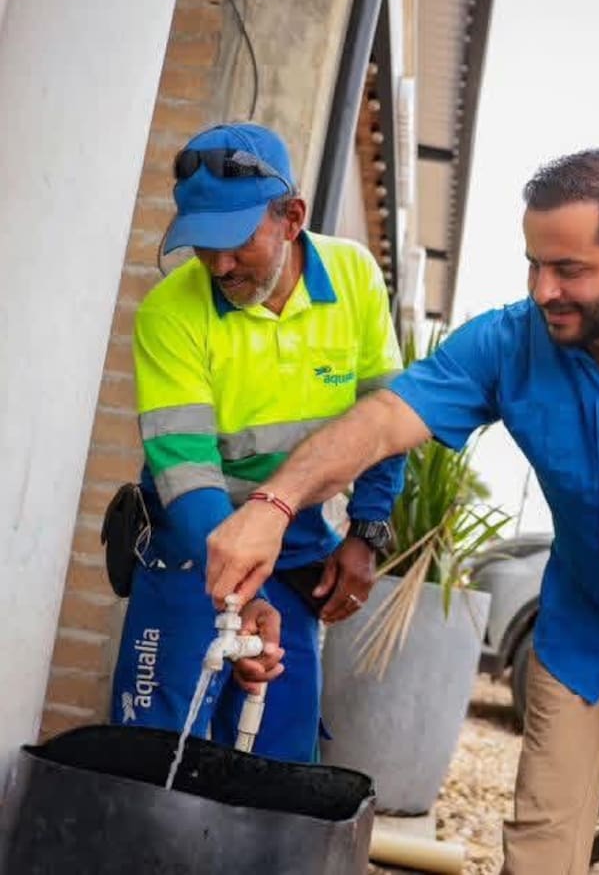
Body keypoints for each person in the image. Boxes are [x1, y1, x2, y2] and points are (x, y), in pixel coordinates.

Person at [204, 148, 599, 872]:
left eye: (570, 269)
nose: (545, 291)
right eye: (534, 264)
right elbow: (386, 419)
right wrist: (273, 502)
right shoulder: (510, 341)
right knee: (539, 849)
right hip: (583, 631)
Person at [109, 122, 405, 763]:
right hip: (195, 541)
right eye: (200, 245)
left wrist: (367, 532)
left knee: (280, 755)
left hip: (294, 545)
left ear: (292, 218)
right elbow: (185, 474)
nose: (218, 265)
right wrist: (240, 601)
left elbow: (388, 415)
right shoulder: (169, 313)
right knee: (154, 755)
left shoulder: (353, 275)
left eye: (235, 242)